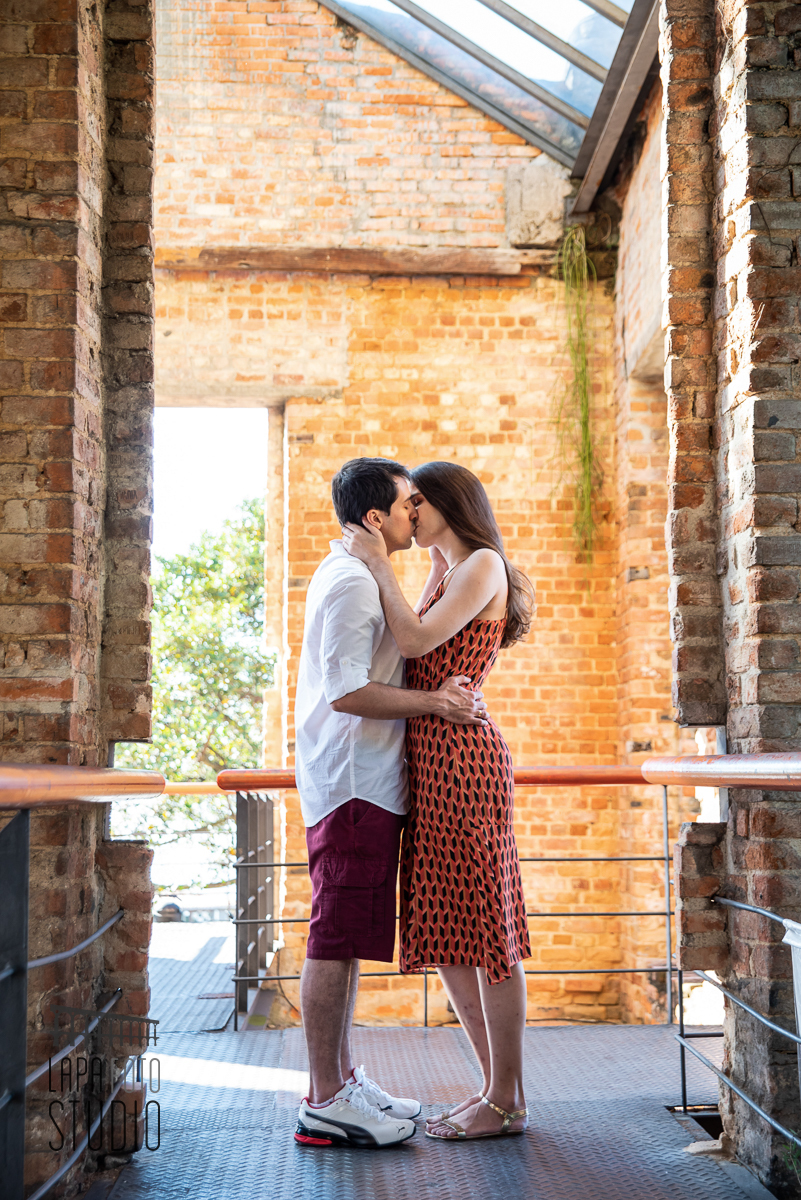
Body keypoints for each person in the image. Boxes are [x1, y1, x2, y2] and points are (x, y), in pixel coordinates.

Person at [294, 457, 489, 1149]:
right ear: (374, 518)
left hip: (365, 784)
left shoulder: (360, 573)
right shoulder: (350, 579)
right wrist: (435, 703)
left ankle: (341, 1083)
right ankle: (324, 1099)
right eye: (408, 503)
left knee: (345, 940)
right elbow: (346, 693)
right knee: (334, 938)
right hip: (350, 784)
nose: (416, 512)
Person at [342, 460, 535, 1142]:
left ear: (448, 502)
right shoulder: (440, 568)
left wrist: (375, 563)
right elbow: (414, 646)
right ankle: (492, 1093)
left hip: (465, 763)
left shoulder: (483, 564)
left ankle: (507, 1101)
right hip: (427, 762)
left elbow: (415, 640)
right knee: (448, 928)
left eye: (417, 500)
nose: (407, 512)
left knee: (488, 933)